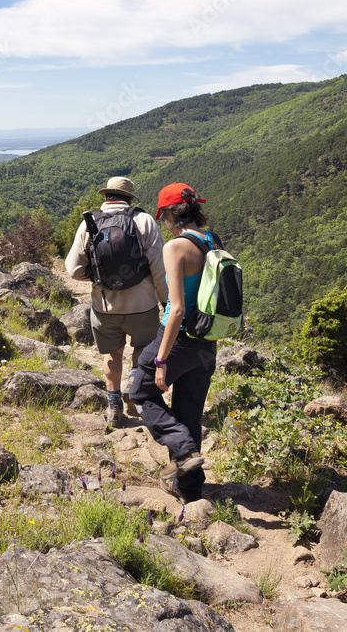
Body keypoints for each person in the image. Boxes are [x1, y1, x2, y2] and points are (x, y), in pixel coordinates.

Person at [129, 182, 217, 503]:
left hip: (178, 338)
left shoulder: (175, 247)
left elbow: (176, 308)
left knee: (140, 388)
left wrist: (162, 358)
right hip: (207, 343)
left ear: (168, 214)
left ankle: (180, 448)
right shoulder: (212, 242)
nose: (163, 222)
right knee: (188, 412)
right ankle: (190, 490)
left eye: (162, 216)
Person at [65, 176, 168, 429]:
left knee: (112, 354)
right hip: (142, 305)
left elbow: (72, 269)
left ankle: (113, 407)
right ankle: (136, 388)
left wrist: (99, 276)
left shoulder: (89, 223)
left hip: (105, 307)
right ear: (129, 198)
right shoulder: (143, 221)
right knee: (143, 348)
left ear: (107, 196)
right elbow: (160, 268)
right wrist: (167, 302)